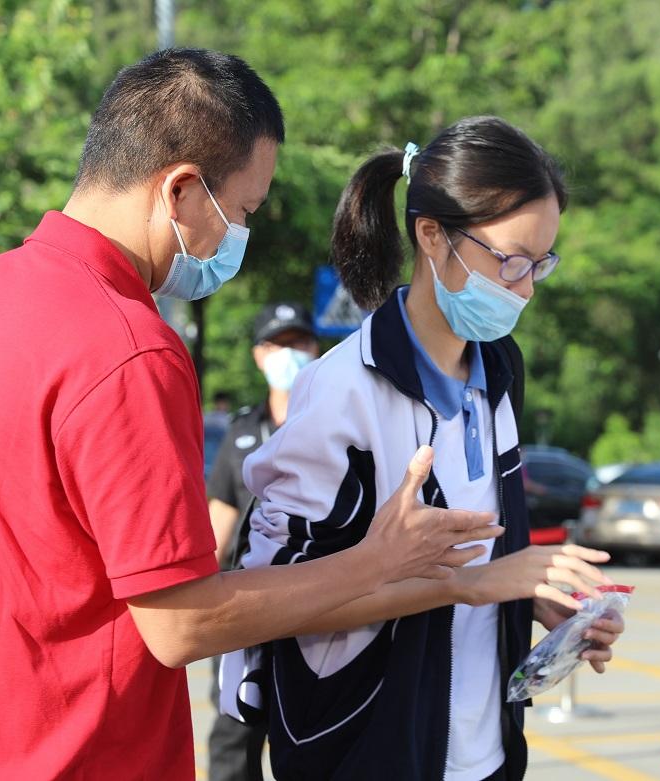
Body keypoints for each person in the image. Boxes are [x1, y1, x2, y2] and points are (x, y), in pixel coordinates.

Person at [0, 49, 504, 780]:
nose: (237, 237)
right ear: (182, 189)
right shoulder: (128, 347)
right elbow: (179, 621)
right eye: (242, 212)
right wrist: (376, 560)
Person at [222, 117, 625, 781]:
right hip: (363, 749)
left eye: (541, 264)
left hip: (485, 750)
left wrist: (532, 603)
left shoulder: (500, 367)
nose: (526, 288)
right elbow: (271, 601)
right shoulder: (342, 390)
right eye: (510, 261)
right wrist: (473, 585)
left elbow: (484, 565)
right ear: (432, 235)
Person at [206, 302, 320, 780]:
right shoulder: (241, 433)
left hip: (321, 608)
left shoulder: (337, 425)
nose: (289, 354)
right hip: (247, 612)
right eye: (278, 345)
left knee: (317, 740)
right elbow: (217, 530)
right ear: (258, 355)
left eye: (299, 343)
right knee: (235, 737)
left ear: (316, 349)